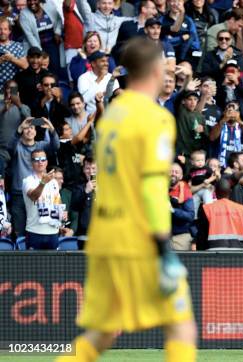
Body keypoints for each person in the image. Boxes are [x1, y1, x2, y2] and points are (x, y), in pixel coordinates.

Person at [57, 38, 197, 362]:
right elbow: (150, 185)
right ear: (156, 68)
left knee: (102, 333)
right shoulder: (154, 118)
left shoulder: (113, 116)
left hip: (105, 235)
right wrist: (162, 248)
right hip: (137, 237)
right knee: (181, 326)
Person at [10, 116, 59, 237]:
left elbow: (56, 146)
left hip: (40, 195)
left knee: (39, 232)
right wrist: (20, 127)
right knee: (20, 233)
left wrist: (52, 129)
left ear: (36, 132)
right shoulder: (17, 146)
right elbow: (9, 146)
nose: (29, 130)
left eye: (31, 128)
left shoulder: (41, 145)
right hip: (18, 195)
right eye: (26, 128)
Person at [22, 149, 63, 249]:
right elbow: (33, 196)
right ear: (32, 163)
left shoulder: (54, 182)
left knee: (53, 265)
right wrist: (43, 183)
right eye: (36, 160)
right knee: (33, 264)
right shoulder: (27, 181)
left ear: (47, 162)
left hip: (53, 232)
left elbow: (58, 201)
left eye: (43, 159)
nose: (40, 162)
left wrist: (62, 213)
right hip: (34, 231)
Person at [195, 176, 243, 250]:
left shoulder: (207, 209)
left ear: (215, 192)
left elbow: (201, 238)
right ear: (230, 192)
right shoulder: (242, 210)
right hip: (237, 255)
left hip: (213, 255)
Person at [168, 162, 194, 251]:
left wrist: (173, 210)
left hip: (180, 237)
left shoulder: (186, 190)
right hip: (161, 237)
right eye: (171, 171)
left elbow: (190, 216)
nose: (173, 174)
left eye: (176, 172)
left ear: (181, 176)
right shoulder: (159, 188)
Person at [0, 17, 27, 89]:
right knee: (1, 100)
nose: (2, 32)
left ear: (9, 31)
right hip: (0, 88)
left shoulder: (18, 45)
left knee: (15, 99)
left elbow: (25, 66)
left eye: (5, 29)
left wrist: (12, 59)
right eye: (0, 29)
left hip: (14, 86)